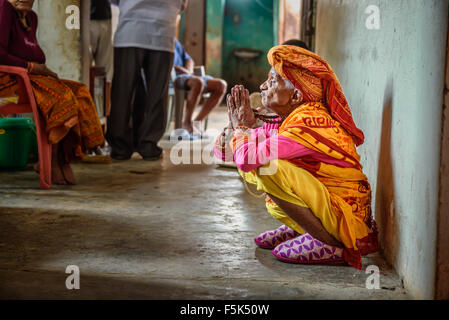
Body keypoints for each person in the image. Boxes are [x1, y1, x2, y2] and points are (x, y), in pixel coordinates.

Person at [214, 45, 378, 269]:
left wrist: (241, 127)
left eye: (273, 81)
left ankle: (332, 242)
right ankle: (301, 226)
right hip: (333, 207)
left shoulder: (309, 122)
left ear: (296, 95)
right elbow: (225, 153)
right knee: (257, 160)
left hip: (347, 219)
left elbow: (246, 158)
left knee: (265, 167)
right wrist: (234, 127)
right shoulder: (287, 120)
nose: (263, 86)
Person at [0, 0, 105, 185]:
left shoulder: (31, 17)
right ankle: (53, 160)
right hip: (9, 81)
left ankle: (65, 157)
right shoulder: (4, 8)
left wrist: (41, 69)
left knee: (79, 91)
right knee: (61, 96)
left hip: (31, 79)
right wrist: (33, 67)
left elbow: (35, 54)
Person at [106, 0, 187, 161]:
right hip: (163, 31)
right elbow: (182, 5)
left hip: (130, 31)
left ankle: (120, 147)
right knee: (157, 93)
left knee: (123, 91)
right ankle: (149, 146)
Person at [173, 38, 227, 137]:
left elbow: (188, 59)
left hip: (188, 75)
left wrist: (188, 70)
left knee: (221, 85)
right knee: (198, 82)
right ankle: (186, 122)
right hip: (175, 76)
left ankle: (197, 122)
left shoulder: (174, 41)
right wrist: (180, 69)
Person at [90, 0, 113, 116]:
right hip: (80, 16)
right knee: (85, 71)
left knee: (105, 71)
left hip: (104, 14)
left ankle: (105, 114)